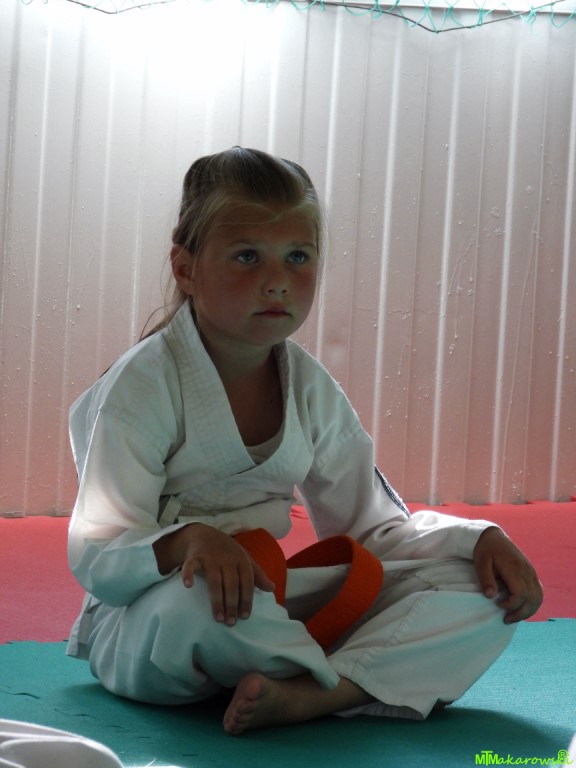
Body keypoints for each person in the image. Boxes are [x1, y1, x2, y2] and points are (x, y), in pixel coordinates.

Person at [66, 147, 543, 736]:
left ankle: (308, 693)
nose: (276, 282)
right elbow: (98, 550)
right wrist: (189, 541)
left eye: (298, 256)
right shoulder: (142, 386)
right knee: (204, 603)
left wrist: (477, 538)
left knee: (482, 590)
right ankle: (341, 678)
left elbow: (373, 530)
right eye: (247, 256)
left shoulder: (309, 388)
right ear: (186, 269)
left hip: (261, 604)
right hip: (157, 618)